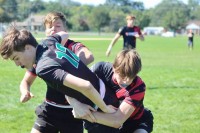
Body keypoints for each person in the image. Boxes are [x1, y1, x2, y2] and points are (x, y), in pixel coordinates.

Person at [0, 28, 119, 133]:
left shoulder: (43, 68)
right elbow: (64, 34)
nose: (17, 64)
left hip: (99, 105)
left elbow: (86, 86)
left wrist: (105, 108)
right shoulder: (49, 42)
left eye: (16, 58)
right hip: (103, 94)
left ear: (28, 47)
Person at [19, 12, 94, 133]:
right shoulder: (42, 52)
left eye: (58, 26)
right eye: (49, 27)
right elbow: (26, 81)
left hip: (73, 112)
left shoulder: (72, 46)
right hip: (49, 110)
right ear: (45, 31)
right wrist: (25, 91)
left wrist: (68, 66)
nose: (53, 29)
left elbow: (88, 56)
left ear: (65, 29)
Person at [71, 49, 154, 133]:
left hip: (135, 122)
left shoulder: (138, 87)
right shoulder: (100, 69)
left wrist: (84, 114)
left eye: (131, 77)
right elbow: (72, 84)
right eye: (122, 76)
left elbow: (117, 121)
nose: (126, 82)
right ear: (114, 68)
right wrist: (76, 104)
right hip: (107, 120)